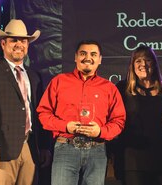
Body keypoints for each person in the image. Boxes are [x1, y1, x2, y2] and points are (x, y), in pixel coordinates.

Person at [36, 40, 126, 185]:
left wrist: (100, 131)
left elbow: (119, 121)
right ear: (75, 57)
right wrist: (65, 126)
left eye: (93, 54)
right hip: (65, 147)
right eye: (83, 53)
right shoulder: (59, 82)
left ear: (100, 59)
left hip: (97, 150)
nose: (88, 58)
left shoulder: (109, 88)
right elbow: (43, 113)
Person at [0, 19, 52, 185]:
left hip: (30, 147)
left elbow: (39, 112)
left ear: (28, 45)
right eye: (14, 40)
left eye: (23, 41)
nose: (19, 44)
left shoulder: (34, 76)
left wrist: (44, 145)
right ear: (3, 43)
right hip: (2, 148)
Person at [110, 45, 162, 185]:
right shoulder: (122, 89)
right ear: (132, 65)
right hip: (132, 161)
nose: (143, 65)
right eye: (138, 61)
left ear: (155, 63)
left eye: (148, 60)